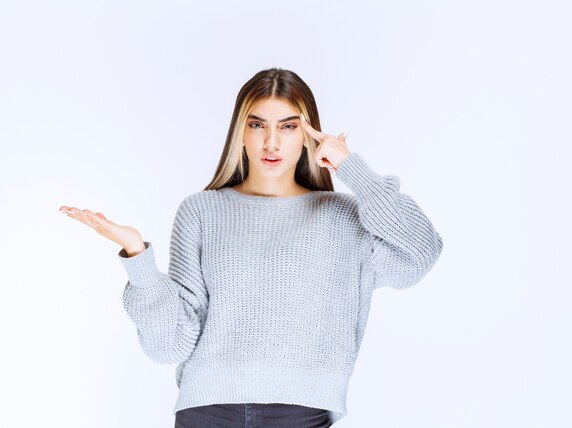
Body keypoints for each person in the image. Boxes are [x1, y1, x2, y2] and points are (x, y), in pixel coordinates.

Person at [59, 68, 444, 427]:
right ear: (240, 133)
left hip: (302, 413)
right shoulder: (201, 212)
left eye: (289, 127)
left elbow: (420, 251)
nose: (271, 142)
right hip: (206, 412)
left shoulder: (343, 218)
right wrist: (137, 256)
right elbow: (170, 345)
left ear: (309, 135)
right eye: (257, 125)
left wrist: (353, 169)